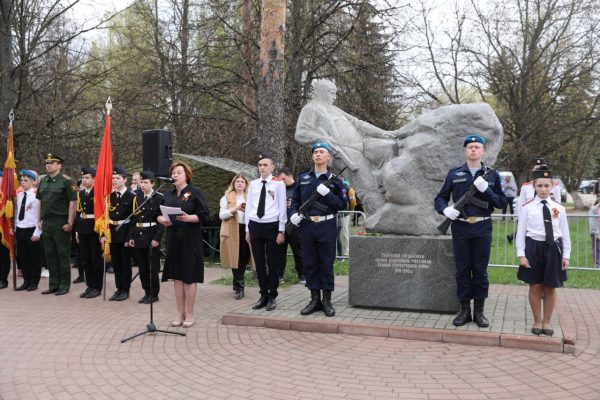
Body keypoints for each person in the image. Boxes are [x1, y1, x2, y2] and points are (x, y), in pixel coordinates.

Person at [434, 135, 507, 327]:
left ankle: (479, 312)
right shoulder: (454, 174)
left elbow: (501, 202)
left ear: (483, 151)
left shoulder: (492, 175)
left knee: (480, 271)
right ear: (465, 151)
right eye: (470, 147)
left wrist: (487, 191)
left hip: (483, 227)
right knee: (463, 269)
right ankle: (464, 310)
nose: (473, 150)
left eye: (477, 147)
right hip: (461, 227)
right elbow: (440, 198)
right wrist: (445, 210)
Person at [290, 142, 347, 317]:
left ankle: (327, 300)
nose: (318, 154)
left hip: (327, 226)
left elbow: (341, 205)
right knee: (310, 263)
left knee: (326, 263)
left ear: (328, 156)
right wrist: (293, 214)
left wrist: (327, 194)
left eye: (322, 152)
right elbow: (296, 202)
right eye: (315, 152)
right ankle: (314, 300)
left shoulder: (337, 181)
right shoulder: (303, 178)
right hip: (307, 226)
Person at [516, 165, 570, 336]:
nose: (543, 189)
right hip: (533, 248)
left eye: (547, 185)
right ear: (534, 186)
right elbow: (521, 232)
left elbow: (565, 233)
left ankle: (547, 321)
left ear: (552, 186)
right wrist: (521, 254)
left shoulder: (559, 208)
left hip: (553, 249)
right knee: (535, 286)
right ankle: (537, 320)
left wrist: (566, 255)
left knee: (550, 287)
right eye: (540, 185)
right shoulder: (527, 207)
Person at [158, 162, 209, 328]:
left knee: (189, 277)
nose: (175, 175)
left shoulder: (195, 192)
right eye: (173, 172)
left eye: (179, 172)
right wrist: (162, 220)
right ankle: (179, 312)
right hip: (173, 239)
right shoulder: (168, 194)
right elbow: (157, 214)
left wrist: (190, 218)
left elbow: (205, 216)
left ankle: (190, 313)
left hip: (190, 239)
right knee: (177, 278)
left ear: (187, 174)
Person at [245, 152, 287, 311]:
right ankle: (263, 294)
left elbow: (282, 207)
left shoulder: (278, 184)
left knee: (273, 262)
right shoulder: (254, 184)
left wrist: (281, 230)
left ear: (272, 167)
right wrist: (248, 229)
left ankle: (272, 295)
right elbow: (249, 207)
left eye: (265, 165)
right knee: (259, 263)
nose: (262, 168)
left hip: (272, 225)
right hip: (255, 225)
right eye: (260, 165)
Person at [37, 153, 77, 295]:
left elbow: (72, 203)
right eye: (47, 163)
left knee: (62, 254)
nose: (48, 165)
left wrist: (70, 222)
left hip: (61, 222)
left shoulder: (67, 181)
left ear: (59, 165)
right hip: (47, 222)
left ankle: (64, 285)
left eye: (52, 163)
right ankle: (54, 284)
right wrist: (39, 220)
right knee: (50, 254)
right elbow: (40, 202)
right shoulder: (42, 181)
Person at [128, 171, 164, 304]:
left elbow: (162, 221)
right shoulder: (137, 198)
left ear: (153, 183)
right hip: (138, 234)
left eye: (145, 182)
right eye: (141, 182)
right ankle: (146, 292)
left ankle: (154, 294)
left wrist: (157, 238)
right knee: (142, 267)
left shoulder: (159, 197)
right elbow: (133, 218)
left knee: (152, 268)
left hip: (151, 234)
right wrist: (131, 236)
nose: (142, 185)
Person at [219, 173, 254, 299]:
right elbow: (221, 215)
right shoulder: (226, 198)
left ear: (246, 185)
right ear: (233, 184)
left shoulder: (250, 197)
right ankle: (240, 287)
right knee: (235, 258)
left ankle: (236, 282)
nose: (239, 183)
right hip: (232, 230)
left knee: (244, 258)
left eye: (242, 182)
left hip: (246, 229)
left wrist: (246, 210)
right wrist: (233, 210)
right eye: (237, 181)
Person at [102, 166, 135, 301]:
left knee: (125, 263)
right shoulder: (109, 197)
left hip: (125, 233)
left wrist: (130, 237)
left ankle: (125, 290)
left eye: (117, 178)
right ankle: (118, 288)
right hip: (112, 233)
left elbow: (134, 219)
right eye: (113, 178)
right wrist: (103, 234)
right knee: (116, 263)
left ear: (125, 180)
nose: (114, 180)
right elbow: (104, 217)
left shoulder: (132, 196)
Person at [75, 167, 103, 299]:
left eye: (87, 178)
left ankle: (97, 287)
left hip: (94, 228)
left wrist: (102, 231)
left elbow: (102, 212)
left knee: (96, 259)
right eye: (83, 178)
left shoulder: (99, 193)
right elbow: (78, 213)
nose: (84, 180)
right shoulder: (80, 193)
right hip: (82, 227)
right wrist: (77, 231)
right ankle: (89, 285)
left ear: (94, 179)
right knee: (85, 259)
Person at [14, 170, 43, 291]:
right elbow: (17, 213)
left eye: (26, 180)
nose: (22, 182)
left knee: (35, 258)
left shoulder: (37, 195)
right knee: (23, 257)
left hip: (32, 229)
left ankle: (34, 282)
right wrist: (15, 227)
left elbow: (39, 216)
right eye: (21, 180)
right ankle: (26, 280)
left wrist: (37, 232)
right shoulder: (19, 195)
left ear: (33, 182)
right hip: (20, 229)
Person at [277, 167, 304, 284]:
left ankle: (302, 275)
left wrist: (293, 205)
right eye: (280, 180)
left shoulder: (299, 188)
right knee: (279, 252)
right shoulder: (279, 189)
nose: (282, 182)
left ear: (290, 176)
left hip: (296, 226)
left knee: (299, 252)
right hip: (281, 225)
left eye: (283, 179)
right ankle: (279, 276)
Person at [589, 198, 600, 268]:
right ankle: (596, 264)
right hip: (596, 232)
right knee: (597, 247)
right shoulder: (594, 209)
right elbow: (593, 222)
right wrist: (597, 233)